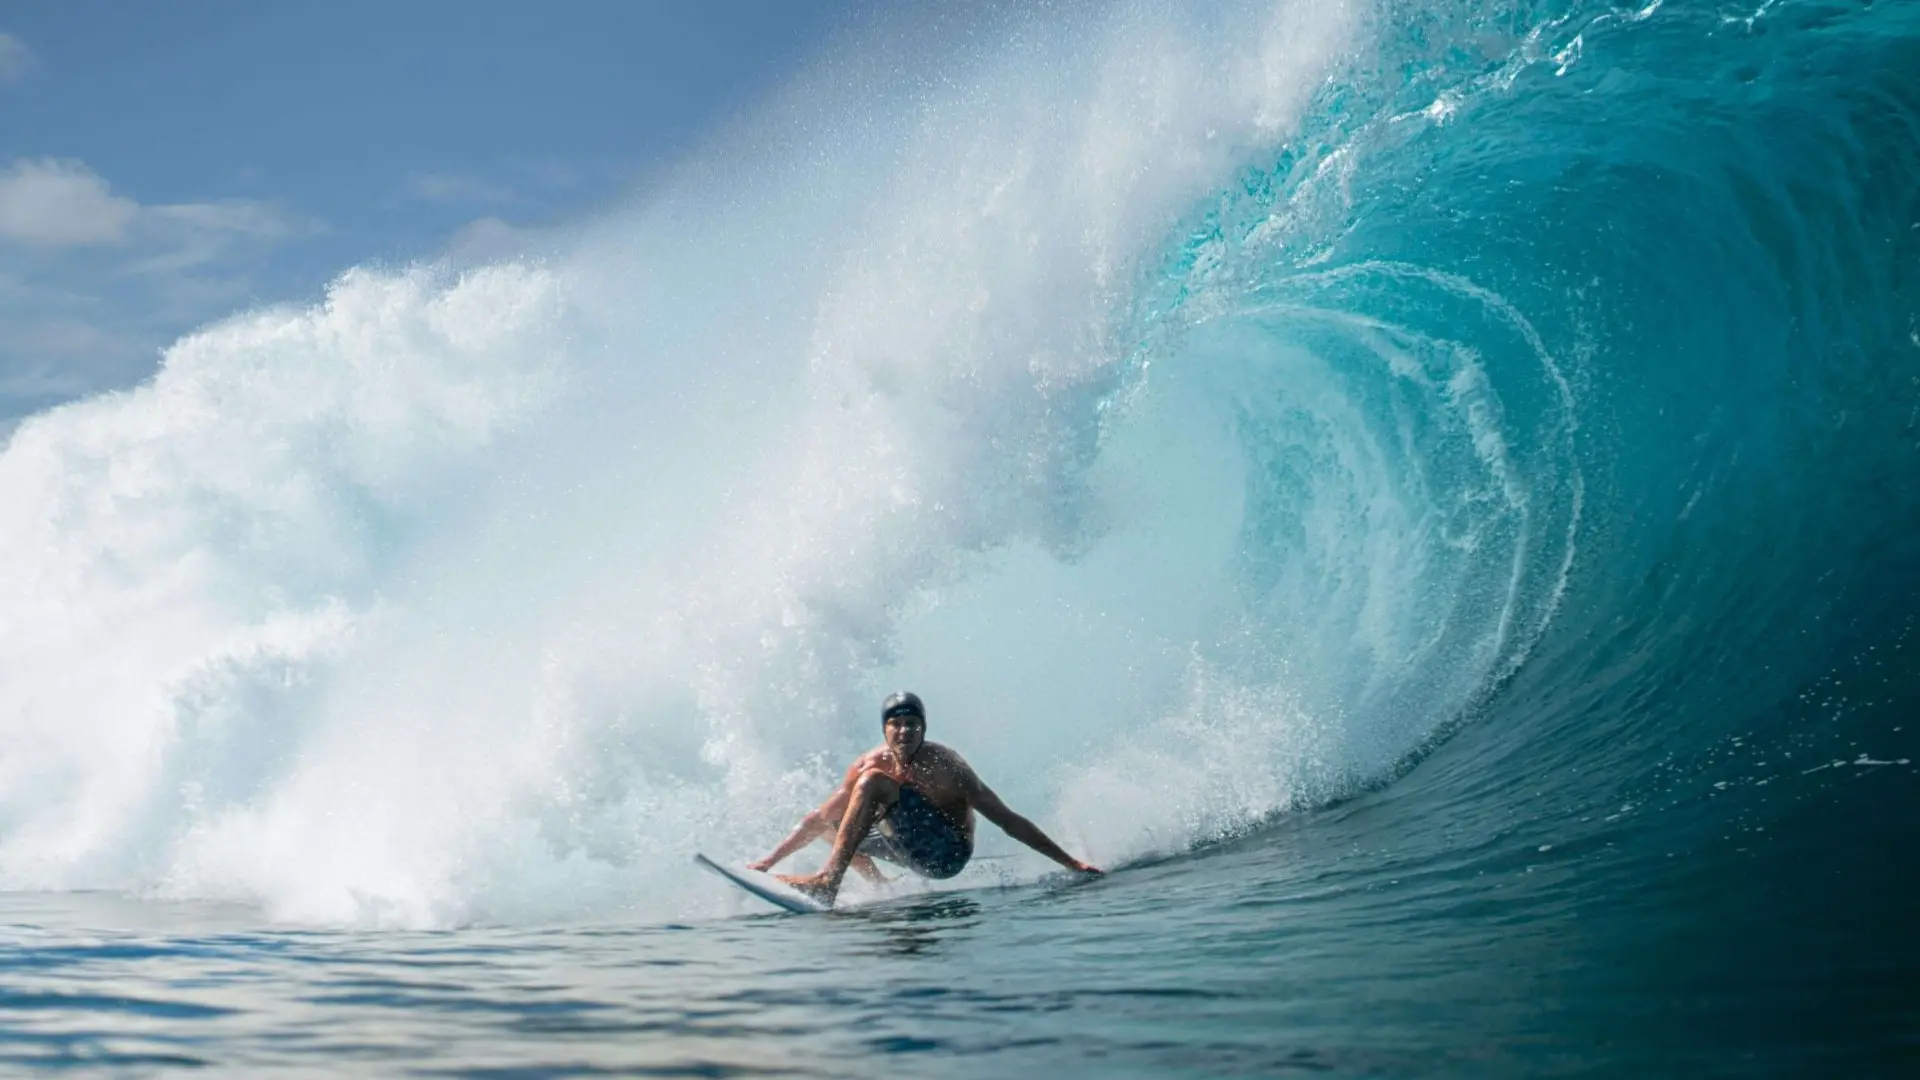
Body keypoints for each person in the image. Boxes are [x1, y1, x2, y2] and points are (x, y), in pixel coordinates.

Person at [750, 691, 1102, 906]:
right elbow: (818, 819)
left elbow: (1008, 820)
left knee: (874, 784)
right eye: (897, 723)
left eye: (913, 724)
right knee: (831, 824)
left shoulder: (948, 767)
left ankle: (828, 882)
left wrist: (1070, 863)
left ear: (924, 728)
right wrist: (768, 863)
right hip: (906, 850)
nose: (905, 731)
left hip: (947, 855)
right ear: (885, 729)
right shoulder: (868, 763)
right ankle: (880, 890)